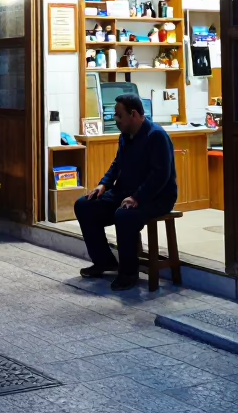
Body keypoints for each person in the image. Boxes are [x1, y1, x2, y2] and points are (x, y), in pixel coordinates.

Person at [73, 94, 177, 291]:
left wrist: (137, 197)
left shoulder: (156, 136)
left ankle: (128, 273)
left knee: (124, 215)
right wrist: (103, 184)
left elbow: (160, 175)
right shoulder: (125, 135)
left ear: (134, 114)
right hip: (125, 192)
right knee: (84, 205)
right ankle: (104, 261)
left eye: (119, 115)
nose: (116, 120)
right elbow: (117, 164)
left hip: (156, 197)